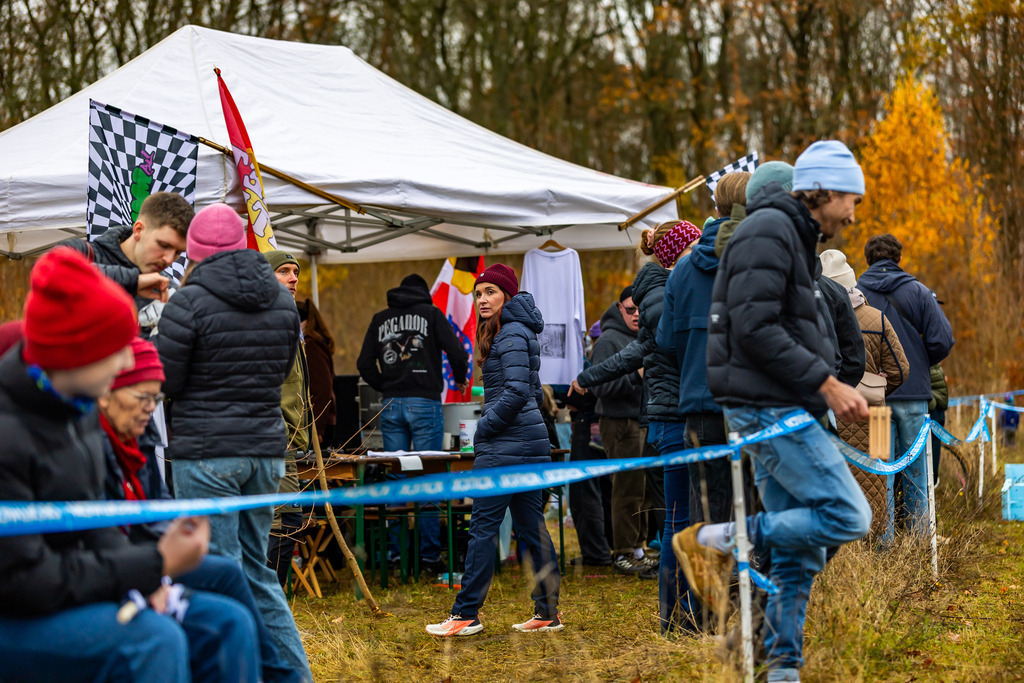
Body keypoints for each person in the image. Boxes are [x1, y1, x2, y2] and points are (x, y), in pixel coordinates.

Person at [676, 140, 873, 682]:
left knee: (798, 556)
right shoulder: (769, 231)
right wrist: (827, 384)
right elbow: (755, 327)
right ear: (824, 191)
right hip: (768, 407)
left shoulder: (792, 235)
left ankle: (780, 669)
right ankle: (711, 540)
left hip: (783, 403)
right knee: (851, 516)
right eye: (850, 199)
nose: (854, 212)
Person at [0, 248, 215, 682]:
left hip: (64, 589)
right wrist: (151, 565)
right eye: (115, 351)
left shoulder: (74, 409)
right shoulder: (8, 434)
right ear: (76, 355)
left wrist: (145, 577)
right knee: (154, 641)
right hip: (18, 610)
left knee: (218, 623)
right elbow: (26, 582)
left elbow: (93, 516)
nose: (124, 364)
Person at [155, 204, 311, 680]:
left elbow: (165, 378)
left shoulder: (188, 301)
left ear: (196, 252)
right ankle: (291, 674)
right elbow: (285, 370)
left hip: (207, 455)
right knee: (257, 572)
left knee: (217, 571)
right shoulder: (283, 302)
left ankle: (244, 671)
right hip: (265, 454)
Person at [90, 336, 299, 683]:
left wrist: (177, 531)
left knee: (230, 572)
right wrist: (153, 564)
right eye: (143, 397)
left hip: (143, 553)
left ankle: (282, 677)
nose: (149, 408)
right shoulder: (90, 445)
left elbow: (157, 504)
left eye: (156, 399)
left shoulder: (137, 435)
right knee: (225, 606)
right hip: (124, 565)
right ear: (105, 394)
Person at [426, 264, 562, 637]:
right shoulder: (510, 331)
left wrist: (483, 429)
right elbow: (531, 392)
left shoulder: (512, 334)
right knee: (531, 529)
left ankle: (465, 614)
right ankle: (547, 612)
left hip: (507, 445)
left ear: (507, 295)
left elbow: (519, 393)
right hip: (523, 443)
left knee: (483, 528)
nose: (483, 299)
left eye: (491, 292)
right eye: (479, 293)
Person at [657, 172, 748, 634]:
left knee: (704, 515)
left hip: (697, 402)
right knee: (751, 509)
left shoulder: (685, 270)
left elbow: (664, 341)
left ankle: (702, 617)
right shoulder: (758, 257)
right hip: (749, 404)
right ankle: (744, 611)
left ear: (714, 209)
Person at [357, 273, 471, 572]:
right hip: (425, 402)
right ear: (424, 293)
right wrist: (460, 378)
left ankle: (396, 555)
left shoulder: (380, 318)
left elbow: (363, 363)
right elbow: (458, 352)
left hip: (391, 404)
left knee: (395, 478)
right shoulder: (431, 314)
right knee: (428, 478)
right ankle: (429, 556)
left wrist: (386, 385)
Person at [857, 233, 954, 536]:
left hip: (876, 396)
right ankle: (920, 541)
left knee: (879, 472)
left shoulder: (856, 294)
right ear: (899, 258)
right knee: (917, 472)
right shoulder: (919, 292)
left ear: (868, 259)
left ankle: (883, 543)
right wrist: (920, 362)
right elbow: (943, 340)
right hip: (913, 395)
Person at [821, 248, 910, 539]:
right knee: (882, 476)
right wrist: (880, 387)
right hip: (878, 414)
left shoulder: (819, 317)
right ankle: (882, 544)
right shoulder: (878, 318)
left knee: (843, 480)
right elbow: (901, 369)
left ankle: (849, 551)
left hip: (837, 409)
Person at [572, 286, 648, 576]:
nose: (637, 315)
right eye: (630, 310)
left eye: (640, 310)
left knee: (640, 489)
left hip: (639, 420)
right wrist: (636, 376)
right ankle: (624, 552)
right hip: (618, 422)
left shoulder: (640, 338)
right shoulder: (608, 341)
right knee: (626, 488)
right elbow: (601, 387)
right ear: (619, 308)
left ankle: (638, 548)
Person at [61, 191, 194, 336]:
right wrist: (134, 280)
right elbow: (51, 272)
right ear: (138, 230)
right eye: (163, 245)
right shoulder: (83, 254)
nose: (169, 259)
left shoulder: (168, 292)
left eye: (178, 252)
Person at [262, 250, 312, 587]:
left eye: (295, 271)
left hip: (289, 442)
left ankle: (269, 605)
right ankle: (270, 604)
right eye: (284, 271)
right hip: (271, 442)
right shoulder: (264, 321)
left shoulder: (286, 318)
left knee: (284, 520)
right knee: (283, 521)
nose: (294, 278)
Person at [299, 298, 337, 448]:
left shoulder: (311, 346)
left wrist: (317, 429)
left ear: (305, 322)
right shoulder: (308, 345)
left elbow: (322, 389)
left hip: (317, 426)